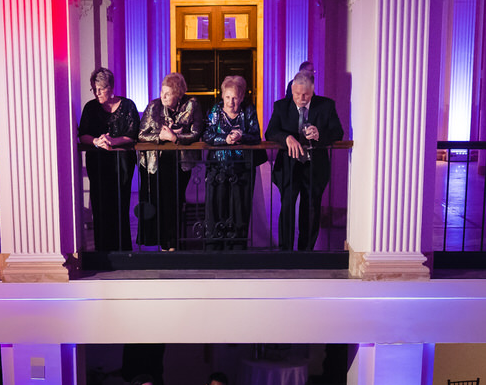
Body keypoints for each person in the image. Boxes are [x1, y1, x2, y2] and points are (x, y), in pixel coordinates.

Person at [267, 68, 345, 251]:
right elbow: (270, 131)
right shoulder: (280, 106)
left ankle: (306, 252)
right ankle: (285, 251)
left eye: (306, 94)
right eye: (297, 94)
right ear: (292, 89)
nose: (301, 98)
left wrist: (320, 134)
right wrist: (286, 138)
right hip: (288, 166)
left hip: (314, 166)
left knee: (311, 209)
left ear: (313, 91)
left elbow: (337, 132)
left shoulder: (326, 105)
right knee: (287, 207)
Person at [136, 73, 204, 249]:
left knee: (175, 202)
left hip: (181, 163)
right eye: (162, 91)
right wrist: (160, 136)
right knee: (158, 202)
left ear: (179, 94)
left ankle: (174, 242)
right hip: (155, 163)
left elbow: (196, 133)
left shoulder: (192, 104)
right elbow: (142, 134)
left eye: (168, 93)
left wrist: (175, 137)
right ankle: (161, 243)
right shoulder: (153, 105)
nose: (163, 96)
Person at [77, 66, 140, 254]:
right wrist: (96, 141)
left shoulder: (128, 105)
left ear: (111, 87)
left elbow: (133, 134)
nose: (97, 93)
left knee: (120, 205)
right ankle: (102, 251)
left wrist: (113, 141)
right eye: (94, 89)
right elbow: (83, 135)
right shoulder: (90, 107)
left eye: (101, 89)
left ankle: (122, 250)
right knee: (100, 205)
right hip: (98, 162)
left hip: (121, 163)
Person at [201, 74, 261, 250]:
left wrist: (242, 136)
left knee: (239, 209)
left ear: (241, 97)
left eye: (235, 97)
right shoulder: (215, 111)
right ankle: (215, 248)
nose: (231, 102)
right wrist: (224, 140)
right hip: (217, 169)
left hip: (242, 169)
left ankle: (237, 249)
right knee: (216, 208)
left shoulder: (248, 111)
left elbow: (256, 136)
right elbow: (207, 135)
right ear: (222, 96)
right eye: (227, 97)